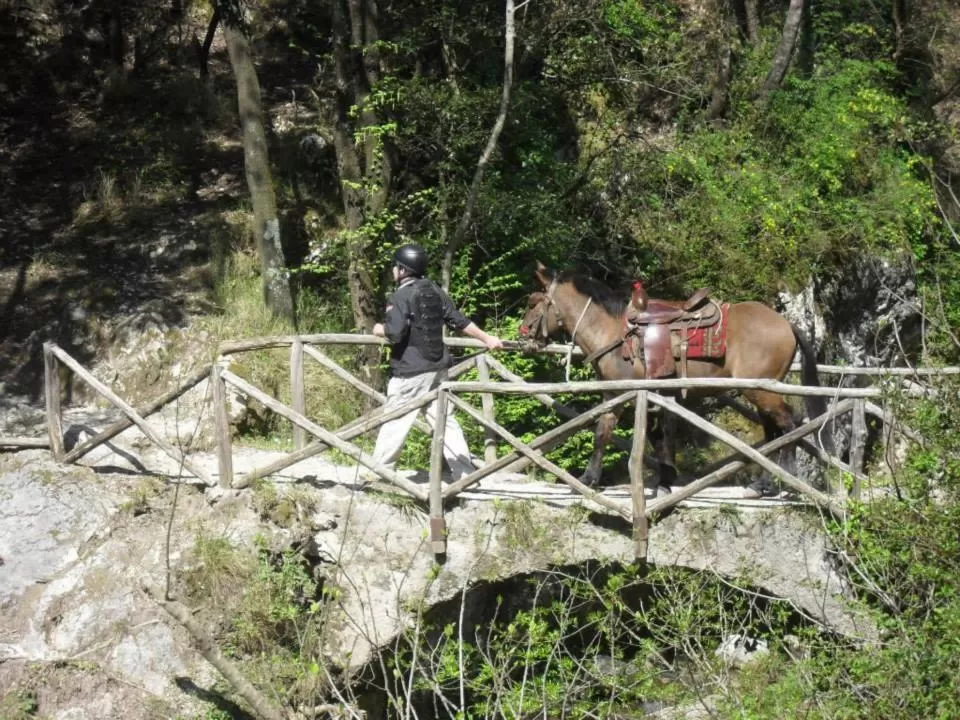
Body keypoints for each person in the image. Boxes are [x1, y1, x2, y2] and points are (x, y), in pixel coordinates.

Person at [369, 243, 504, 482]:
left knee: (395, 420)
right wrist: (487, 338)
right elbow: (459, 321)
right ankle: (465, 475)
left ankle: (380, 472)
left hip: (411, 371)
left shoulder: (400, 296)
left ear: (403, 270)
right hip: (439, 368)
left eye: (395, 266)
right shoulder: (434, 290)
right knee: (445, 421)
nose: (393, 270)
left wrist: (379, 329)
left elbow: (396, 333)